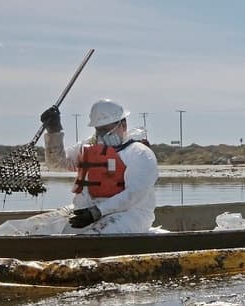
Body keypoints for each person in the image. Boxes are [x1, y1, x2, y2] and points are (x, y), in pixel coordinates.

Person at [40, 98, 159, 234]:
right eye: (99, 130)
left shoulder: (140, 153)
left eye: (107, 129)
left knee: (94, 235)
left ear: (123, 125)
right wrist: (54, 131)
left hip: (130, 216)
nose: (102, 135)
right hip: (88, 213)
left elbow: (135, 193)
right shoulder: (87, 148)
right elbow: (57, 164)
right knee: (47, 228)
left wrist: (97, 212)